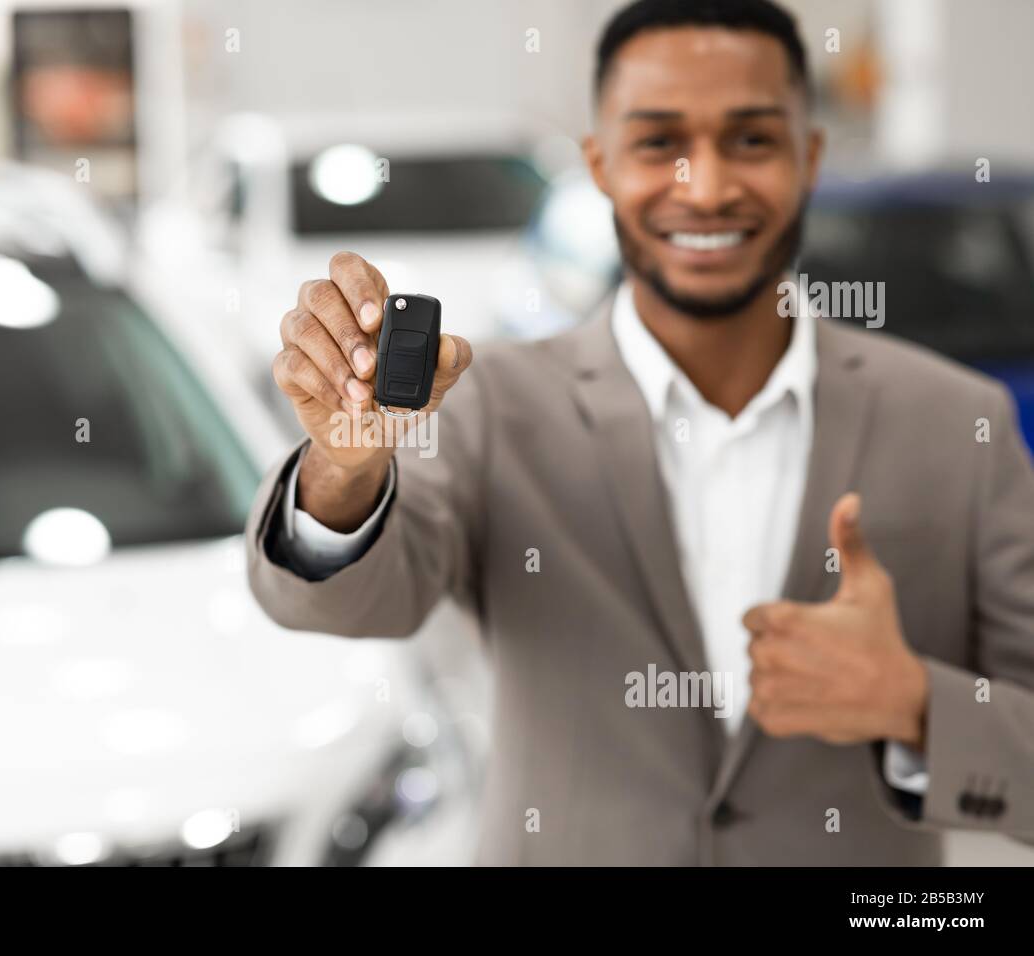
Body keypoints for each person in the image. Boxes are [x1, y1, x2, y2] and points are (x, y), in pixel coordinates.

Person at [245, 0, 1034, 864]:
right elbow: (350, 600)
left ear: (809, 158)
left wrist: (916, 704)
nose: (706, 185)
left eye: (752, 140)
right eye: (659, 141)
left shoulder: (960, 424)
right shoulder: (492, 403)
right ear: (601, 165)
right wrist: (343, 470)